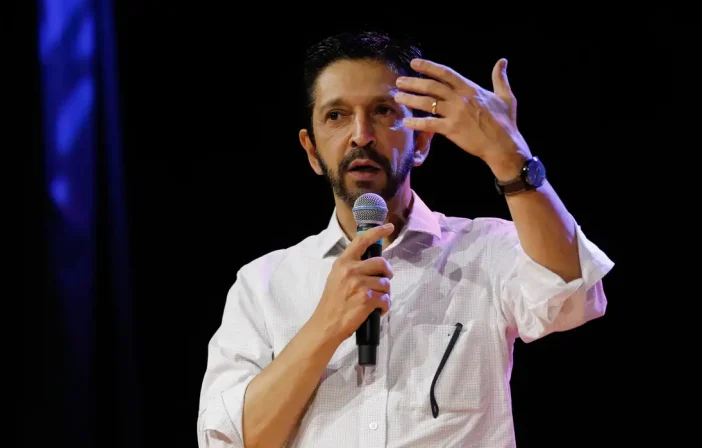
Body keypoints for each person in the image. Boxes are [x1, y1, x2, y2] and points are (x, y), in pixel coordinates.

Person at [197, 30, 614, 447]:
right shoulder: (263, 284)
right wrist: (325, 325)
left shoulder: (485, 248)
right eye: (336, 115)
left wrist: (511, 156)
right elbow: (231, 439)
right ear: (311, 150)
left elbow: (575, 298)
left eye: (382, 111)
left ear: (422, 141)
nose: (361, 134)